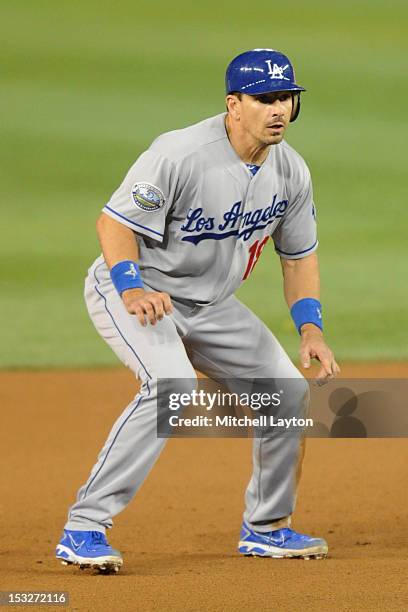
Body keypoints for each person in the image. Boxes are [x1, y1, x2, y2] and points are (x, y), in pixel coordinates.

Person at [56, 48, 340, 573]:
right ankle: (85, 527)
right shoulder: (181, 153)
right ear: (234, 104)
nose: (279, 110)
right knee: (170, 387)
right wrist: (132, 287)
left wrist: (311, 329)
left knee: (287, 391)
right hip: (138, 290)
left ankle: (266, 527)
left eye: (287, 99)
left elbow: (299, 259)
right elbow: (114, 225)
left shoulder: (291, 172)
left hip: (211, 306)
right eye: (265, 100)